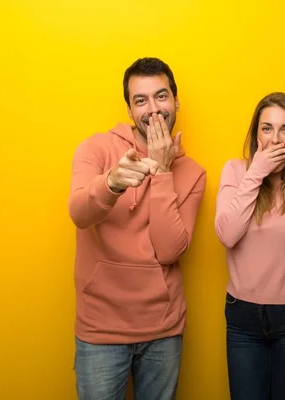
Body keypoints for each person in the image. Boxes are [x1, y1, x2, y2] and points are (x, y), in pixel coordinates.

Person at [68, 57, 206, 400]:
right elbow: (79, 214)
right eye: (140, 100)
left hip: (163, 329)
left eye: (161, 96)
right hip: (101, 329)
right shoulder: (96, 149)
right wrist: (112, 182)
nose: (153, 109)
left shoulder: (193, 173)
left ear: (176, 102)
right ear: (130, 110)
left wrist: (161, 172)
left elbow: (169, 250)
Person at [214, 92, 285, 400]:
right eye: (266, 128)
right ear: (255, 135)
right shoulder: (236, 172)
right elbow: (227, 234)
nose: (275, 139)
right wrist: (257, 171)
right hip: (243, 323)